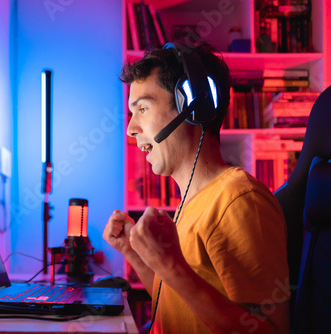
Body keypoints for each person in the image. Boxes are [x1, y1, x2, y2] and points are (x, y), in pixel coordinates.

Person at [103, 43, 290, 333]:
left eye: (142, 108)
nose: (131, 128)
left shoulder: (239, 200)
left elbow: (267, 330)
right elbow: (178, 305)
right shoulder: (193, 201)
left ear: (193, 105)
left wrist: (171, 266)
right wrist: (134, 253)